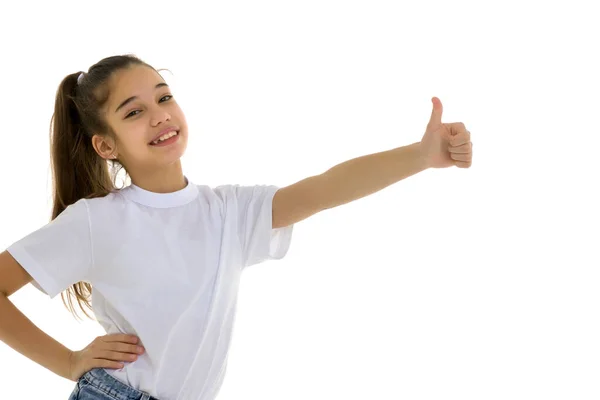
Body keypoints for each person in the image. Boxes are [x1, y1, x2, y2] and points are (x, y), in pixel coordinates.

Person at [0, 54, 473, 400]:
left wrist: (420, 156)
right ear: (106, 146)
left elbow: (327, 187)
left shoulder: (228, 212)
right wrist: (67, 362)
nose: (159, 113)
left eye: (163, 97)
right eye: (134, 111)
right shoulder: (95, 221)